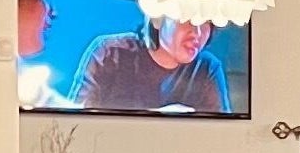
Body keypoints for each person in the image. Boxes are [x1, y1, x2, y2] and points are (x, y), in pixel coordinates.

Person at [77, 13, 235, 115]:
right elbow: (77, 122)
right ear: (158, 19)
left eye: (206, 22)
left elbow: (223, 136)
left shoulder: (207, 68)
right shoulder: (110, 52)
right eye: (187, 19)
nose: (197, 34)